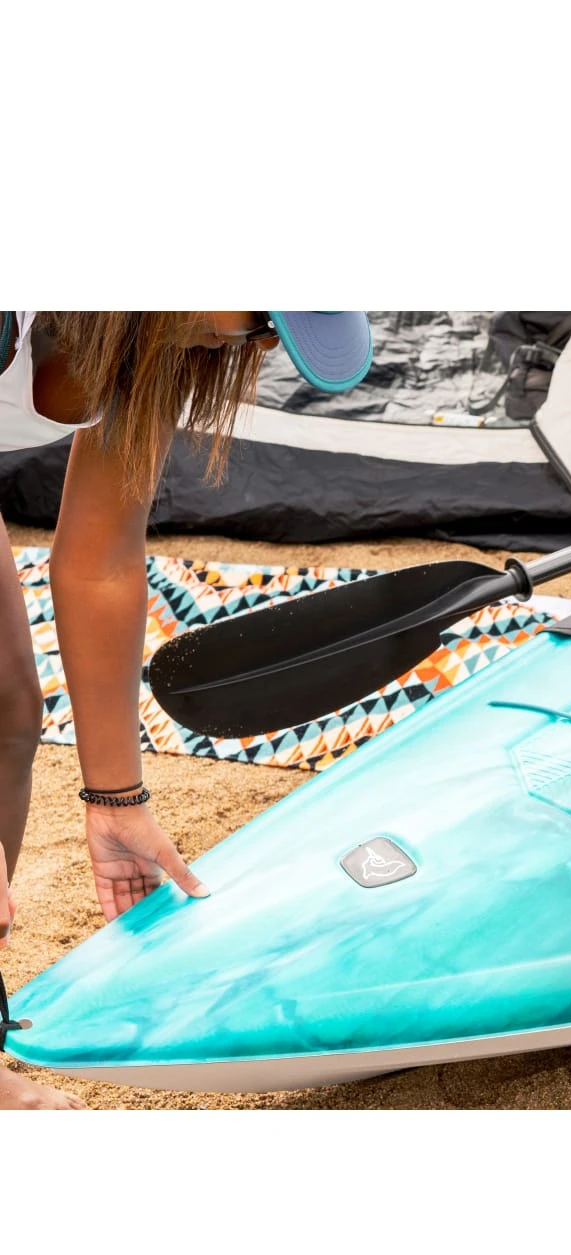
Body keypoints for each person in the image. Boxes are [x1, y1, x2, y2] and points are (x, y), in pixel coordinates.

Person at [0, 311, 372, 1108]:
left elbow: (100, 561)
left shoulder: (153, 334)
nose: (261, 344)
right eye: (262, 315)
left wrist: (115, 799)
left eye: (278, 333)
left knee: (8, 715)